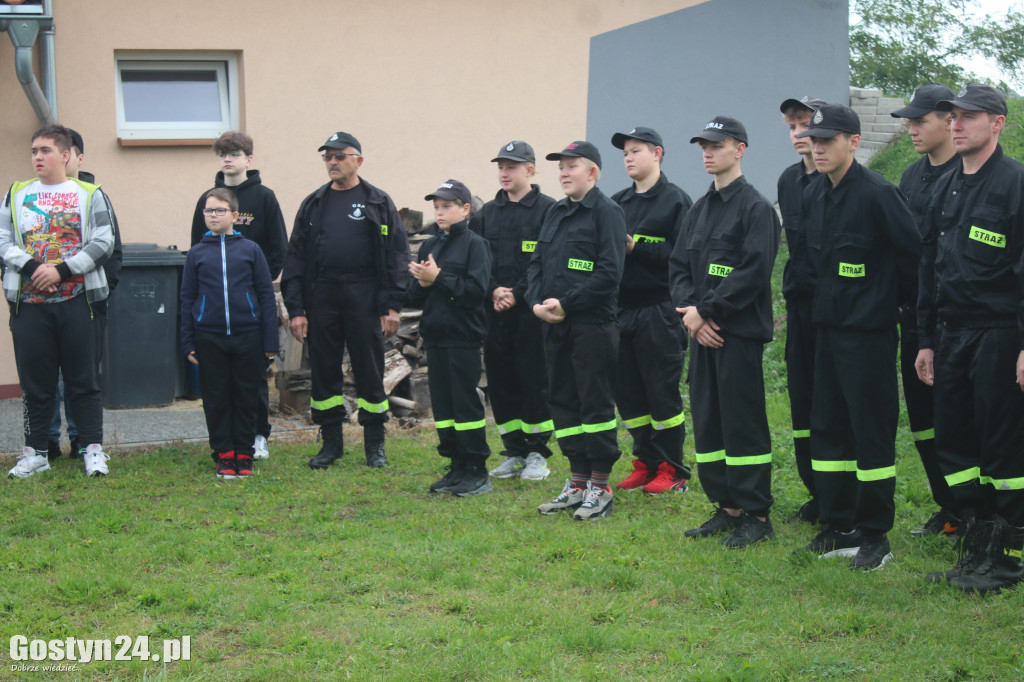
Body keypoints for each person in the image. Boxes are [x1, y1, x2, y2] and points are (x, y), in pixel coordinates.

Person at [795, 103, 921, 570]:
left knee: (870, 434)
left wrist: (892, 308)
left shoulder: (878, 194)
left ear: (853, 142)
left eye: (829, 140)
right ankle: (838, 524)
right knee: (828, 429)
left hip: (868, 336)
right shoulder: (815, 193)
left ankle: (874, 535)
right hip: (826, 331)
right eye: (815, 139)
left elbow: (913, 260)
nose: (819, 147)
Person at [916, 83, 1024, 594]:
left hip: (999, 336)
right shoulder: (944, 188)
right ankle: (974, 554)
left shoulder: (1016, 184)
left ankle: (1008, 561)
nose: (957, 124)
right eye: (953, 116)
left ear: (997, 123)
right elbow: (927, 271)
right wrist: (925, 340)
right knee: (956, 447)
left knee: (1002, 452)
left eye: (969, 117)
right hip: (950, 336)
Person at [670, 116, 780, 547]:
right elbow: (679, 267)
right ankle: (727, 506)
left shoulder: (756, 209)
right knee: (710, 422)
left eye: (717, 145)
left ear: (741, 149)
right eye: (703, 146)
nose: (708, 152)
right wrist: (691, 316)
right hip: (702, 333)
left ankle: (756, 513)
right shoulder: (700, 208)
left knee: (742, 423)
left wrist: (706, 312)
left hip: (737, 335)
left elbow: (752, 274)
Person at [280, 132, 410, 470]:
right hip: (322, 295)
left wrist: (392, 305)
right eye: (327, 157)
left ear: (358, 161)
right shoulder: (314, 203)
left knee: (370, 369)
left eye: (340, 156)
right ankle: (331, 444)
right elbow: (294, 258)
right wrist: (297, 310)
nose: (333, 162)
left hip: (364, 295)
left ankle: (374, 446)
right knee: (324, 370)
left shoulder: (377, 201)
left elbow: (397, 255)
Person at [1, 124, 114, 478]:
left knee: (84, 381)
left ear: (66, 155)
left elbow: (103, 241)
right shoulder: (16, 193)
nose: (37, 156)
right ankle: (36, 453)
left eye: (45, 150)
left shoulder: (89, 193)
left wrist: (61, 271)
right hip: (29, 307)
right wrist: (37, 269)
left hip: (79, 303)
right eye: (34, 151)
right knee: (36, 385)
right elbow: (3, 240)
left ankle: (92, 450)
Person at [527, 141, 626, 521]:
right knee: (564, 402)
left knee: (594, 404)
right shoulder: (555, 212)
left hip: (592, 327)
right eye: (561, 167)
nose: (564, 173)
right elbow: (536, 264)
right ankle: (577, 482)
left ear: (594, 173)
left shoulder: (608, 212)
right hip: (554, 326)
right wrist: (536, 304)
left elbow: (609, 274)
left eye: (573, 166)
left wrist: (566, 304)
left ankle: (600, 486)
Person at [889, 85, 962, 539]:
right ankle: (949, 506)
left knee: (958, 420)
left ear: (948, 119)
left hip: (957, 319)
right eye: (909, 121)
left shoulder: (968, 172)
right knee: (923, 423)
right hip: (914, 316)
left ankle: (976, 511)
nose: (912, 129)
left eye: (920, 121)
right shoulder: (910, 177)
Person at [189, 131, 288, 461]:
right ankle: (226, 444)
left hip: (252, 304)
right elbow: (197, 247)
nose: (227, 159)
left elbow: (278, 247)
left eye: (234, 153)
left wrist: (254, 283)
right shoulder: (208, 198)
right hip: (215, 311)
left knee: (254, 380)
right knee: (219, 386)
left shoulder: (264, 197)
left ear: (249, 159)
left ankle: (259, 435)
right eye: (222, 154)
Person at [609, 127, 692, 495]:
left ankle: (673, 469)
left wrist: (636, 249)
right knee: (630, 395)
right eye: (625, 152)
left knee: (662, 394)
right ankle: (645, 463)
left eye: (636, 150)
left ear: (657, 153)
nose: (628, 157)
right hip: (622, 312)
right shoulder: (616, 203)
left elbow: (683, 256)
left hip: (660, 310)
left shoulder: (676, 201)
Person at [472, 141, 556, 482]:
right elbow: (477, 262)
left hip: (532, 313)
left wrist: (516, 294)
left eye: (512, 167)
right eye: (501, 167)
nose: (504, 173)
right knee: (502, 382)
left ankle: (537, 452)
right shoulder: (486, 214)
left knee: (534, 381)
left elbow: (545, 261)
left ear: (530, 170)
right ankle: (514, 450)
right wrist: (493, 290)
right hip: (495, 312)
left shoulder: (550, 210)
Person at [180, 188, 279, 478]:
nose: (213, 215)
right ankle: (224, 454)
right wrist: (188, 341)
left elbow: (264, 295)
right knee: (217, 397)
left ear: (235, 215)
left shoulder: (250, 250)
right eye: (208, 211)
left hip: (248, 336)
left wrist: (269, 341)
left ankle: (244, 454)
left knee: (247, 396)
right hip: (208, 338)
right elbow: (187, 299)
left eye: (219, 210)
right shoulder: (197, 254)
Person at [409, 180, 493, 496]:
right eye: (437, 206)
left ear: (465, 209)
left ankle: (477, 470)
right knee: (444, 407)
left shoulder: (476, 245)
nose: (440, 212)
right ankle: (456, 465)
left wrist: (439, 278)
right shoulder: (431, 246)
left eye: (447, 206)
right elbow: (415, 296)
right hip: (436, 337)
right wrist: (423, 283)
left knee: (465, 405)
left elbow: (474, 293)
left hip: (463, 338)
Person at [48, 127, 124, 461]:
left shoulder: (95, 196)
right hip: (41, 303)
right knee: (44, 379)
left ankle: (82, 441)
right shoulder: (33, 197)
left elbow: (112, 251)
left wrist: (102, 293)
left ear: (77, 156)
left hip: (86, 304)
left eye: (61, 152)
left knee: (82, 378)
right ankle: (46, 441)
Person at [776, 96, 826, 523]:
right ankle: (815, 491)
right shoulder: (788, 181)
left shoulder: (842, 181)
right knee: (802, 400)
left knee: (832, 402)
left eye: (805, 124)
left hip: (839, 312)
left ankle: (839, 496)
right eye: (793, 126)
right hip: (800, 308)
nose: (798, 134)